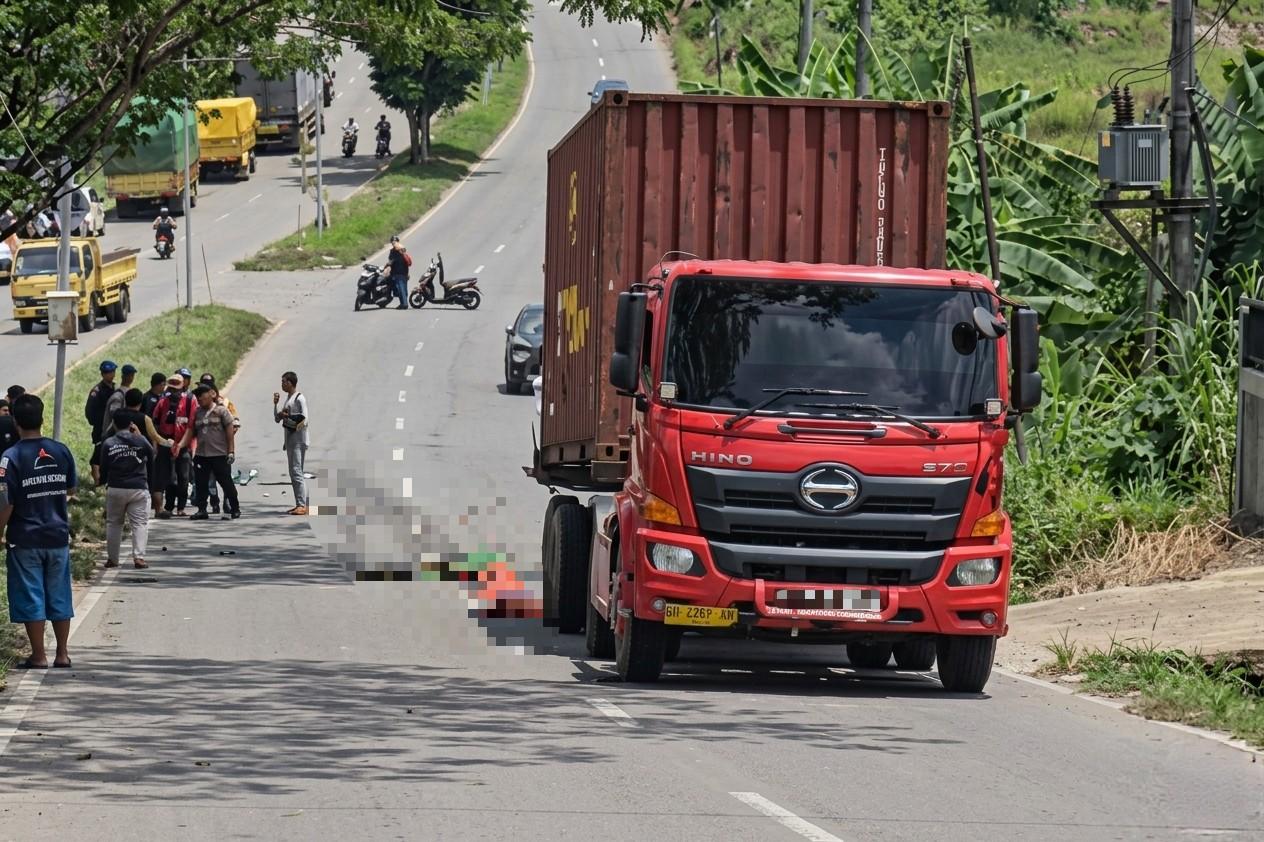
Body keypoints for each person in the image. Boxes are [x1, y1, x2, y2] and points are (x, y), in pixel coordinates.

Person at [0, 394, 77, 669]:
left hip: (25, 539)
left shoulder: (10, 458)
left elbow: (6, 501)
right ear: (42, 418)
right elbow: (70, 488)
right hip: (58, 536)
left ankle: (39, 655)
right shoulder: (61, 450)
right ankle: (63, 654)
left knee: (32, 594)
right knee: (59, 593)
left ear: (16, 421)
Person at [99, 408, 155, 569]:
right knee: (139, 523)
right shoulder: (141, 441)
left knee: (114, 523)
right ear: (131, 424)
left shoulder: (109, 443)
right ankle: (139, 558)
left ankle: (112, 559)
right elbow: (151, 457)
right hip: (138, 488)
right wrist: (149, 484)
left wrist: (104, 482)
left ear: (114, 424)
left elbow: (104, 467)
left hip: (116, 488)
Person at [190, 386, 239, 521]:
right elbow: (191, 432)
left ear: (211, 394)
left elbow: (230, 430)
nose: (200, 398)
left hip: (219, 454)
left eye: (202, 395)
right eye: (197, 396)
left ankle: (235, 508)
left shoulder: (221, 411)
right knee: (201, 483)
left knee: (226, 483)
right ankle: (202, 510)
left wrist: (231, 451)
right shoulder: (197, 413)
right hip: (201, 455)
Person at [153, 374, 196, 518]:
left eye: (177, 389)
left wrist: (182, 444)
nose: (174, 393)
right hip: (166, 444)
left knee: (183, 476)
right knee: (169, 477)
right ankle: (169, 506)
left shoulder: (190, 401)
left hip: (184, 443)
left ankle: (181, 507)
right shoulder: (162, 402)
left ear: (183, 387)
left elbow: (191, 426)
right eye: (171, 389)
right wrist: (161, 443)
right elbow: (156, 423)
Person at [274, 371, 309, 516]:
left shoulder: (299, 399)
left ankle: (302, 505)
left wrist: (293, 425)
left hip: (298, 441)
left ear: (290, 383)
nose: (282, 384)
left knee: (296, 472)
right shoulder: (288, 399)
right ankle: (298, 504)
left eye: (284, 381)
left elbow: (305, 420)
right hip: (290, 441)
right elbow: (277, 419)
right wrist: (276, 406)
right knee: (293, 472)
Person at [85, 360, 118, 447]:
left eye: (112, 372)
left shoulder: (115, 388)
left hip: (114, 429)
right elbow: (89, 411)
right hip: (100, 430)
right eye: (107, 373)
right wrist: (99, 422)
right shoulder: (97, 391)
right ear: (102, 374)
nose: (111, 375)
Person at [387, 235, 411, 310]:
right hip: (401, 272)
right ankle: (403, 303)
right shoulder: (399, 251)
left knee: (401, 289)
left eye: (394, 242)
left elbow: (391, 261)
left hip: (400, 272)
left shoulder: (400, 250)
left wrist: (387, 265)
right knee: (402, 289)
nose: (394, 243)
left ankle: (404, 304)